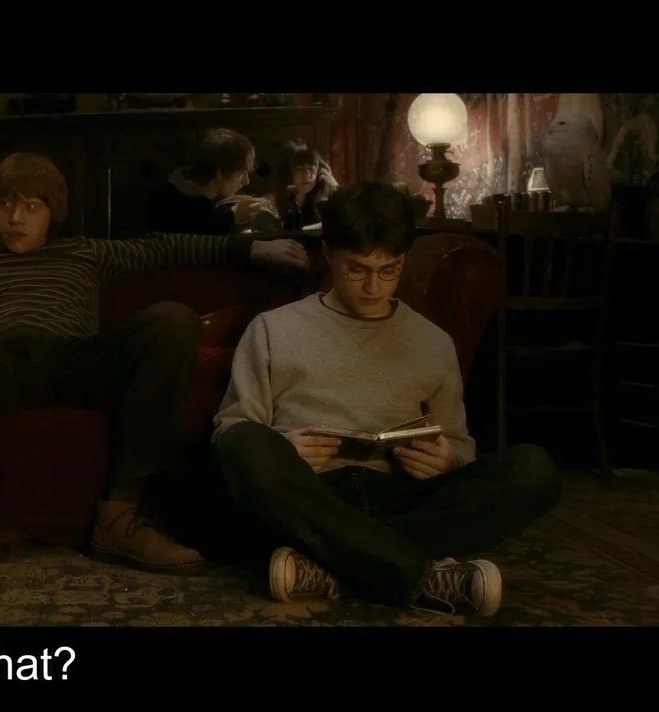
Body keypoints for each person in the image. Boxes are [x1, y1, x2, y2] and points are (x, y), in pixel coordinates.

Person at [0, 152, 308, 581]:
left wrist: (251, 247)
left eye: (31, 206)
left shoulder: (84, 252)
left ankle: (120, 518)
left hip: (76, 362)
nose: (15, 218)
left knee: (173, 319)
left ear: (53, 213)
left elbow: (165, 247)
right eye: (5, 204)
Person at [210, 181, 560, 617]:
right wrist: (284, 449)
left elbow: (460, 443)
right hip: (309, 494)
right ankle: (414, 571)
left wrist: (448, 461)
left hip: (401, 494)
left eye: (389, 270)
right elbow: (231, 431)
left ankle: (334, 563)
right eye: (357, 270)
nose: (373, 286)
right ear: (329, 257)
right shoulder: (272, 328)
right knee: (244, 444)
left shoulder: (433, 343)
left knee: (534, 471)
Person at [146, 127, 268, 235]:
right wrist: (233, 216)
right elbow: (199, 234)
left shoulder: (194, 193)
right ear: (220, 174)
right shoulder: (174, 201)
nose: (246, 181)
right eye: (241, 174)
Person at [267, 140, 338, 230]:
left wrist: (335, 189)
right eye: (299, 168)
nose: (306, 175)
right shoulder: (274, 203)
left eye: (311, 167)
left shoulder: (325, 197)